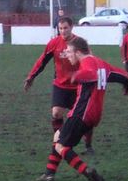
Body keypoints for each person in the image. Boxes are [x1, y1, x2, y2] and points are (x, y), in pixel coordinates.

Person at [37, 36, 128, 181]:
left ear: (77, 52)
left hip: (82, 113)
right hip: (95, 115)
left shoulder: (87, 63)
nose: (67, 55)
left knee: (60, 145)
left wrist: (76, 75)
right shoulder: (102, 64)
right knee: (58, 136)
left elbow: (89, 73)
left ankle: (87, 171)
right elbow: (122, 75)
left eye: (69, 52)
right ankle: (49, 174)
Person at [24, 16, 95, 153]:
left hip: (79, 86)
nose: (63, 31)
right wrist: (31, 76)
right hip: (60, 85)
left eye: (65, 28)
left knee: (85, 117)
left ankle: (88, 145)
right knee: (56, 113)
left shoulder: (79, 43)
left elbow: (90, 61)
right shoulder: (54, 43)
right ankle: (59, 142)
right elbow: (42, 61)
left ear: (71, 27)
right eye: (60, 28)